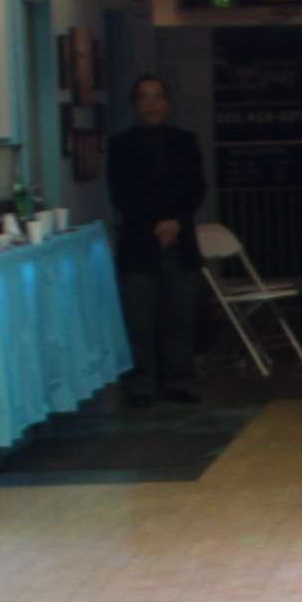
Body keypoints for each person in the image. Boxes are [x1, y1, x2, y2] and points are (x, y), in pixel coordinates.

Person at [107, 74, 209, 401]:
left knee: (179, 313)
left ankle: (179, 380)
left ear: (167, 103)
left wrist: (176, 222)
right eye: (144, 97)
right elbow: (121, 194)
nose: (151, 104)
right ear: (135, 105)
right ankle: (141, 384)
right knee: (139, 316)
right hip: (139, 241)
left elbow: (196, 188)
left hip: (180, 242)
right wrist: (156, 224)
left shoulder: (185, 141)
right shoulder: (120, 145)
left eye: (157, 96)